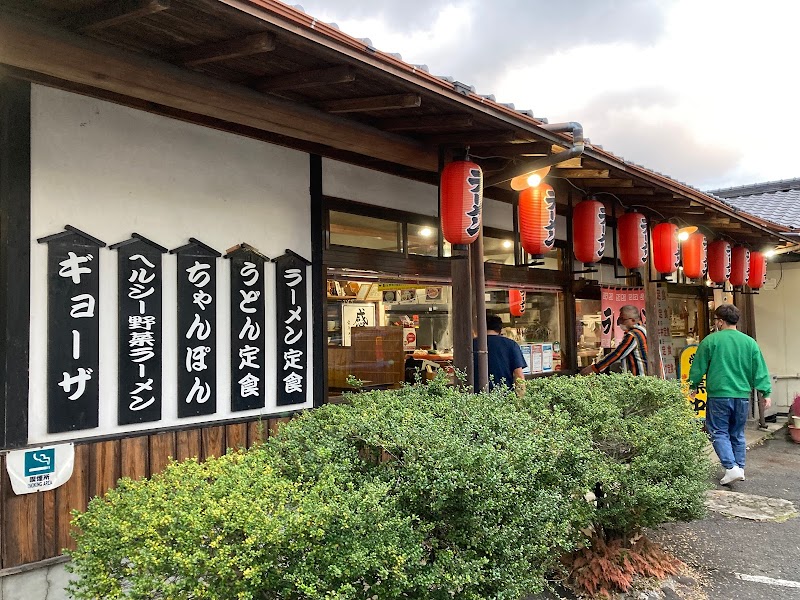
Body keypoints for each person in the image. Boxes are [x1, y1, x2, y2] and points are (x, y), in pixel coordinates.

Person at [688, 303, 771, 485]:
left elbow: (698, 367)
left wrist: (692, 385)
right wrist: (766, 392)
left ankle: (731, 467)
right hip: (742, 394)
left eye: (716, 320)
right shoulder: (749, 342)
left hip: (719, 394)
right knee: (737, 433)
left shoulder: (711, 341)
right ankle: (739, 468)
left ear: (720, 321)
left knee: (718, 431)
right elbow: (760, 370)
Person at [579, 305, 648, 376]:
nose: (620, 322)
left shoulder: (633, 335)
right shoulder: (644, 329)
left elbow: (617, 354)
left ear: (632, 320)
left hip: (639, 377)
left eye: (622, 319)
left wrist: (594, 368)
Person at [474, 314, 526, 395]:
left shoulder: (472, 345)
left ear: (480, 327)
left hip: (476, 398)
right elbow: (518, 375)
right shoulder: (511, 345)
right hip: (504, 397)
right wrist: (521, 400)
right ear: (500, 330)